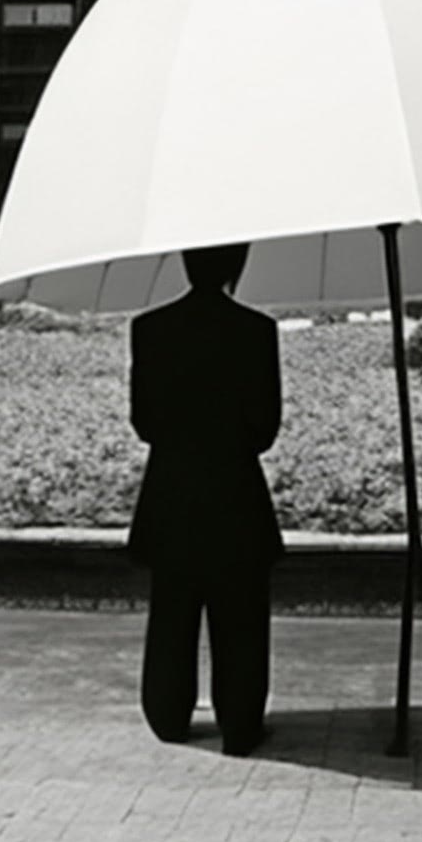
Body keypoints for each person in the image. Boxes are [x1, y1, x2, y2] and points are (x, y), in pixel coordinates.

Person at [127, 241, 283, 756]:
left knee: (171, 613)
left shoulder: (149, 330)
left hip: (171, 490)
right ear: (237, 265)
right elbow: (265, 429)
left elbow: (144, 423)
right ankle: (240, 724)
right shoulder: (257, 331)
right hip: (235, 491)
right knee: (240, 617)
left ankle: (169, 717)